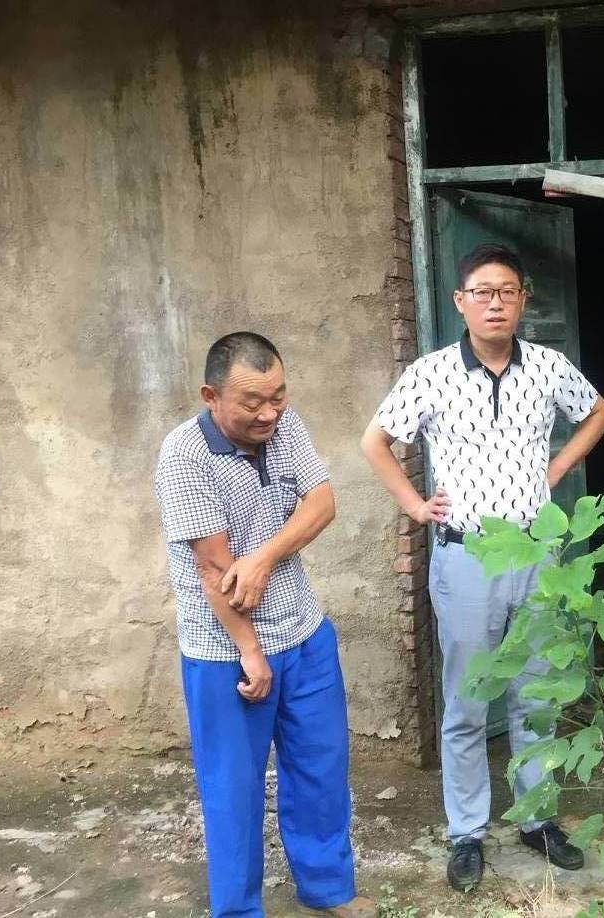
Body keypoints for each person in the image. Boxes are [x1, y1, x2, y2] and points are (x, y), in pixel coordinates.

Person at [361, 242, 604, 892]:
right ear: (461, 302)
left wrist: (558, 467)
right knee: (468, 700)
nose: (494, 303)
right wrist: (415, 505)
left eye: (506, 291)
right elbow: (376, 440)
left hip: (535, 557)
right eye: (482, 292)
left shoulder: (548, 367)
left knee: (536, 695)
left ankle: (537, 819)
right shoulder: (431, 373)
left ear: (523, 299)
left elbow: (599, 413)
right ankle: (467, 831)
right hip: (466, 557)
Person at [154, 332, 376, 918]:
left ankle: (328, 889)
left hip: (303, 633)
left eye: (277, 396)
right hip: (225, 652)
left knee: (320, 772)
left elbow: (322, 504)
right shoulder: (183, 456)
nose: (269, 413)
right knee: (234, 788)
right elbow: (213, 570)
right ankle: (238, 910)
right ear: (211, 396)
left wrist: (263, 557)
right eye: (252, 402)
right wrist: (249, 652)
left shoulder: (284, 425)